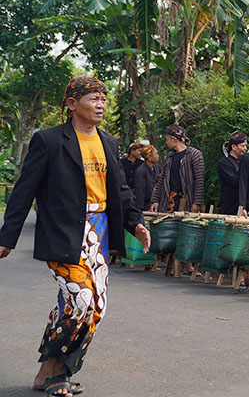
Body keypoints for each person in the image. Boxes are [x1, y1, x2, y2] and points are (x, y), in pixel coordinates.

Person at [0, 76, 150, 397]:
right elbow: (24, 190)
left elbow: (120, 191)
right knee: (80, 299)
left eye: (103, 99)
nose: (101, 105)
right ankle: (60, 375)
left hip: (99, 232)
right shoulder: (49, 140)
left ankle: (48, 371)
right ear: (71, 104)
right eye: (93, 99)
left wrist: (135, 223)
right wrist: (7, 236)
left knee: (95, 308)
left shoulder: (108, 142)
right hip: (63, 232)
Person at [150, 125, 205, 214]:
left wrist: (197, 202)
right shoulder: (169, 157)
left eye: (167, 140)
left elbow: (199, 180)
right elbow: (162, 179)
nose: (166, 142)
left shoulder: (194, 154)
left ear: (174, 140)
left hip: (187, 199)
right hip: (170, 200)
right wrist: (155, 200)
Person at [217, 130, 247, 215]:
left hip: (244, 205)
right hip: (229, 206)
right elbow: (233, 180)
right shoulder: (224, 163)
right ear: (233, 146)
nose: (245, 149)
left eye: (246, 146)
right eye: (243, 146)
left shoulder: (245, 161)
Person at [132, 144, 159, 212]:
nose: (158, 156)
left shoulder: (157, 168)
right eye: (156, 154)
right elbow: (140, 191)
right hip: (145, 205)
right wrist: (139, 209)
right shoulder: (141, 171)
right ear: (149, 157)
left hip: (155, 202)